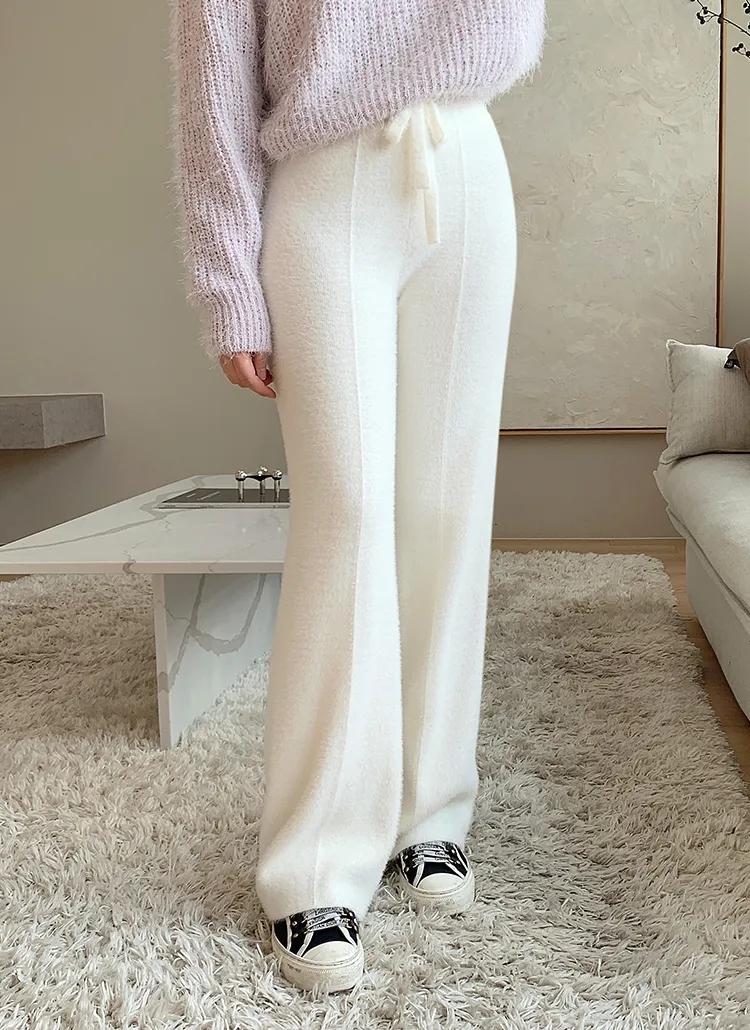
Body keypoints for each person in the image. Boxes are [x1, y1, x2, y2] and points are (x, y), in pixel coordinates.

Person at [170, 0, 546, 994]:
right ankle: (315, 864)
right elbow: (213, 85)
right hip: (326, 179)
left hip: (466, 156)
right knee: (348, 516)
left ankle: (431, 814)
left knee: (448, 509)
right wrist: (227, 284)